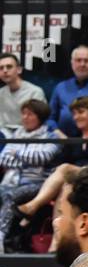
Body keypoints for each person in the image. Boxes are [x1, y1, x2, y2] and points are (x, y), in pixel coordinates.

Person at [13, 96, 88, 235]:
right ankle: (57, 242)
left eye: (81, 112)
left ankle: (33, 206)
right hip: (74, 179)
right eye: (74, 113)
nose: (76, 117)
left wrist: (67, 168)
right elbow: (61, 159)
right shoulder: (74, 137)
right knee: (64, 188)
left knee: (65, 169)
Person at [0, 99, 59, 252]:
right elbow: (3, 158)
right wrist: (27, 160)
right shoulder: (16, 135)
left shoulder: (51, 136)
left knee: (10, 195)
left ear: (40, 116)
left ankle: (0, 237)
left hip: (37, 184)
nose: (25, 117)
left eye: (30, 114)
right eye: (23, 114)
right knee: (7, 191)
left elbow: (42, 157)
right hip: (10, 181)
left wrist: (17, 154)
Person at [48, 46, 88, 136]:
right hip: (60, 140)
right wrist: (56, 132)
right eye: (78, 60)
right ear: (72, 63)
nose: (82, 64)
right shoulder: (60, 87)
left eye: (87, 61)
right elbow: (50, 118)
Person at [0, 52, 46, 133]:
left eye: (9, 67)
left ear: (19, 70)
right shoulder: (1, 93)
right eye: (1, 68)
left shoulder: (35, 92)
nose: (5, 70)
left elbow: (39, 123)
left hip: (27, 137)